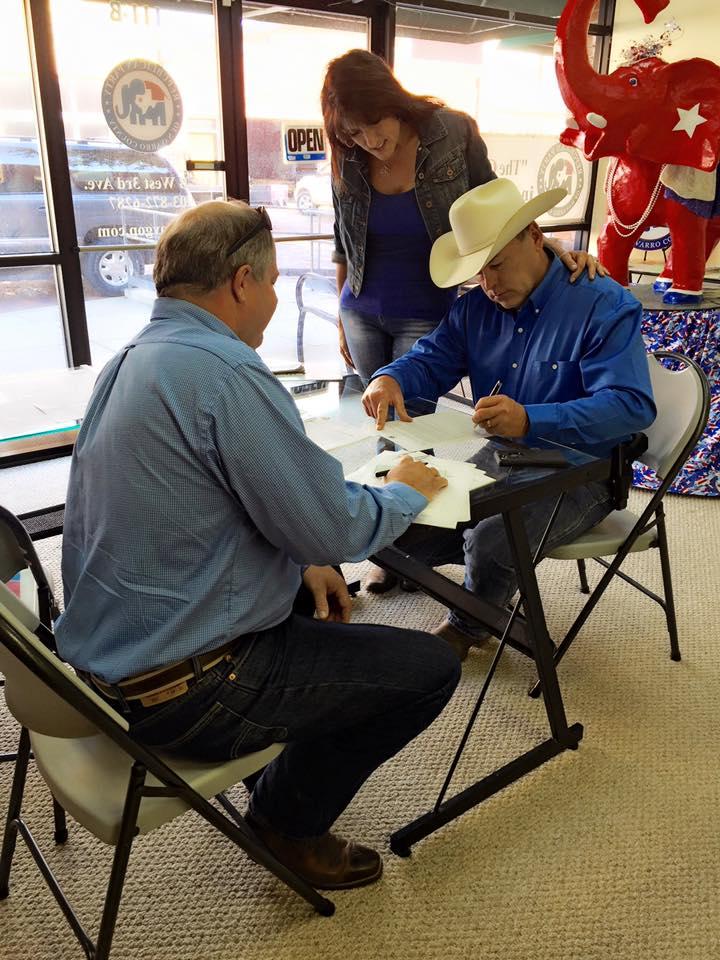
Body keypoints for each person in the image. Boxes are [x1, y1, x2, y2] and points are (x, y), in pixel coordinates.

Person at [55, 200, 461, 891]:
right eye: (272, 281)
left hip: (105, 669)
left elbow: (207, 505)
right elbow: (338, 527)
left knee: (314, 591)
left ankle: (278, 765)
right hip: (182, 693)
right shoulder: (226, 374)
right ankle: (285, 822)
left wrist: (305, 558)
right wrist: (405, 490)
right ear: (241, 281)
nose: (275, 297)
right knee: (426, 667)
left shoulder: (132, 359)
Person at [321, 48, 603, 592]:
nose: (368, 142)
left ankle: (411, 552)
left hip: (429, 303)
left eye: (372, 126)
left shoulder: (452, 132)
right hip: (362, 305)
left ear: (391, 101)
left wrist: (550, 249)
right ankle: (398, 543)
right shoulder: (350, 159)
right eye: (353, 135)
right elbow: (342, 241)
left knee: (419, 434)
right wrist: (343, 319)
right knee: (391, 428)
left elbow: (496, 205)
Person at [362, 178, 656, 661]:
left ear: (535, 236)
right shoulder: (475, 308)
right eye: (478, 273)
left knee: (493, 541)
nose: (490, 284)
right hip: (504, 456)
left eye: (496, 264)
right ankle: (461, 579)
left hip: (585, 471)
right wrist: (389, 378)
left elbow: (632, 408)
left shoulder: (602, 303)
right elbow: (429, 360)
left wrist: (531, 419)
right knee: (405, 511)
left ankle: (470, 622)